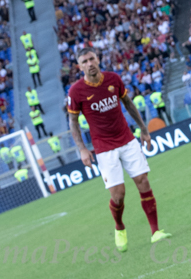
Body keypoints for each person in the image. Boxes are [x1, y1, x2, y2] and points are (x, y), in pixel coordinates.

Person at [68, 48, 172, 252]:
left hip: (127, 139)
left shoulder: (114, 79)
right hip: (104, 148)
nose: (89, 63)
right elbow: (73, 121)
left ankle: (155, 231)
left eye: (91, 59)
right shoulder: (76, 91)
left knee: (143, 181)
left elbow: (128, 103)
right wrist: (82, 149)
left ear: (98, 59)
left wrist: (143, 129)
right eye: (84, 61)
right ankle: (119, 226)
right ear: (80, 67)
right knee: (118, 196)